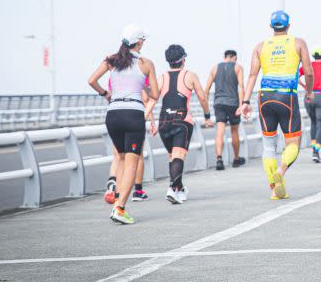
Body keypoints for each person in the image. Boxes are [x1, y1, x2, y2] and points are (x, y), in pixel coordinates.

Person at [88, 25, 159, 225]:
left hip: (113, 114)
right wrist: (139, 85)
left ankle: (116, 197)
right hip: (133, 114)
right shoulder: (146, 64)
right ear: (139, 42)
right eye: (143, 40)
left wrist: (105, 94)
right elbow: (155, 94)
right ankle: (119, 208)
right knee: (131, 163)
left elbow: (91, 80)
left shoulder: (111, 60)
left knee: (119, 157)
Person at [239, 11, 313, 200]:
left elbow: (252, 75)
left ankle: (274, 190)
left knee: (269, 146)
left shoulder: (260, 46)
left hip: (265, 97)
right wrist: (310, 91)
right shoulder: (298, 43)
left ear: (271, 27)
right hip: (287, 96)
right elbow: (309, 72)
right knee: (293, 143)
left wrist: (246, 101)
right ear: (288, 25)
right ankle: (281, 169)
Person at [145, 44, 212, 204]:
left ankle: (179, 189)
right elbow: (202, 97)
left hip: (164, 122)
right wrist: (207, 116)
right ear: (183, 59)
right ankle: (172, 188)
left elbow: (149, 99)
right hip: (182, 121)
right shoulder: (190, 75)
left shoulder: (161, 78)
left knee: (173, 156)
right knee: (179, 156)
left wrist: (149, 121)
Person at [204, 50, 245, 170]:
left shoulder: (215, 68)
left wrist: (206, 110)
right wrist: (242, 105)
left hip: (219, 103)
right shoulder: (238, 68)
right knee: (234, 131)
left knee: (220, 131)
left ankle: (219, 159)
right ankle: (236, 159)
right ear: (234, 57)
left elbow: (206, 90)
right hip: (233, 103)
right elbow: (241, 87)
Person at [299, 46, 321, 162]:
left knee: (313, 123)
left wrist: (305, 86)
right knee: (320, 124)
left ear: (313, 56)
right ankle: (316, 151)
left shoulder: (307, 66)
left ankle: (313, 149)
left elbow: (296, 77)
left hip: (309, 96)